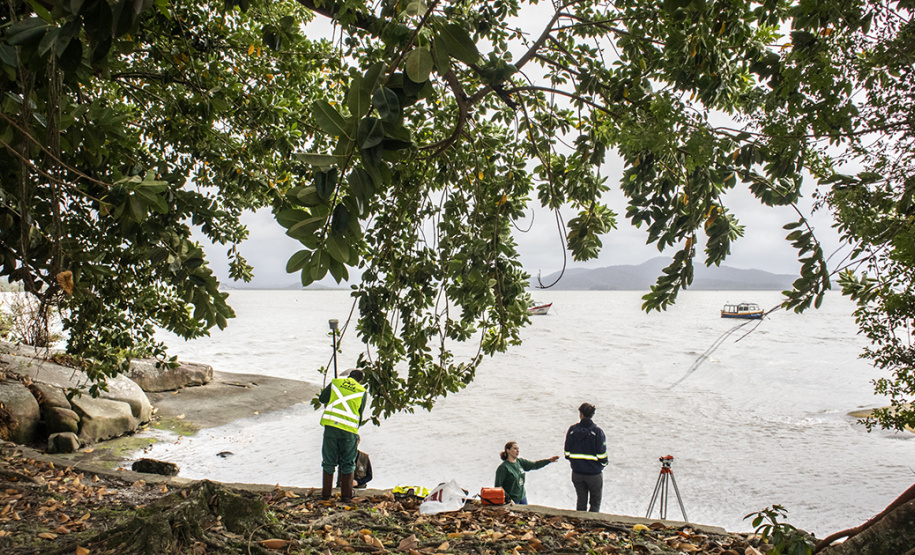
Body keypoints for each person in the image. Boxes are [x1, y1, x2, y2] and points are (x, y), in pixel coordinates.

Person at [319, 369, 368, 501]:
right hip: (349, 430)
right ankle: (346, 495)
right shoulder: (362, 391)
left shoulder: (336, 382)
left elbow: (322, 398)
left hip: (331, 428)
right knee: (348, 463)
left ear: (348, 376)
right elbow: (359, 413)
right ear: (360, 381)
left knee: (328, 462)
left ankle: (326, 495)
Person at [564, 402, 608, 512]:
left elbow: (567, 453)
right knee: (595, 502)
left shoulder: (572, 430)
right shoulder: (597, 432)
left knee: (581, 500)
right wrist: (604, 463)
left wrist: (576, 462)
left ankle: (579, 524)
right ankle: (591, 525)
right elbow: (602, 454)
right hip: (594, 474)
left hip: (577, 473)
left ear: (580, 414)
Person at [494, 441, 559, 504]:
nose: (517, 451)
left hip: (522, 498)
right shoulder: (503, 468)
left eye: (518, 449)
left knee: (527, 514)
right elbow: (498, 486)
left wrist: (548, 461)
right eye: (515, 448)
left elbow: (535, 465)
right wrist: (508, 499)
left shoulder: (520, 462)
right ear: (508, 450)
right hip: (512, 501)